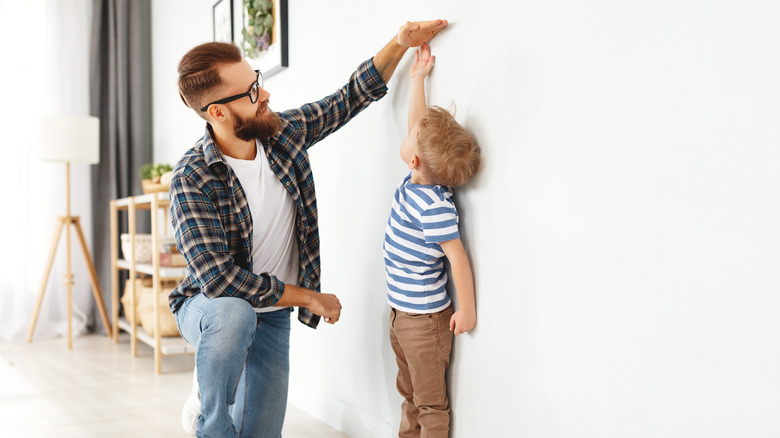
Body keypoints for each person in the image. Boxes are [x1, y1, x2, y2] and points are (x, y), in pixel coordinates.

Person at [169, 19, 449, 438]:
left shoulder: (281, 135)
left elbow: (348, 98)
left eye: (257, 81)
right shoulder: (192, 177)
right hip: (208, 307)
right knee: (232, 314)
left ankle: (215, 384)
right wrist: (308, 297)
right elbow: (218, 279)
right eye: (251, 93)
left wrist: (399, 44)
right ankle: (209, 421)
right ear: (218, 113)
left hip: (272, 314)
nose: (265, 94)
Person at [383, 42, 481, 437]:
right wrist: (417, 79)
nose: (409, 132)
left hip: (425, 324)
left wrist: (468, 309)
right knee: (407, 395)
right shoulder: (417, 179)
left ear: (415, 160)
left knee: (430, 405)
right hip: (401, 315)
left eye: (413, 137)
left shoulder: (435, 208)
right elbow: (418, 127)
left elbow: (457, 258)